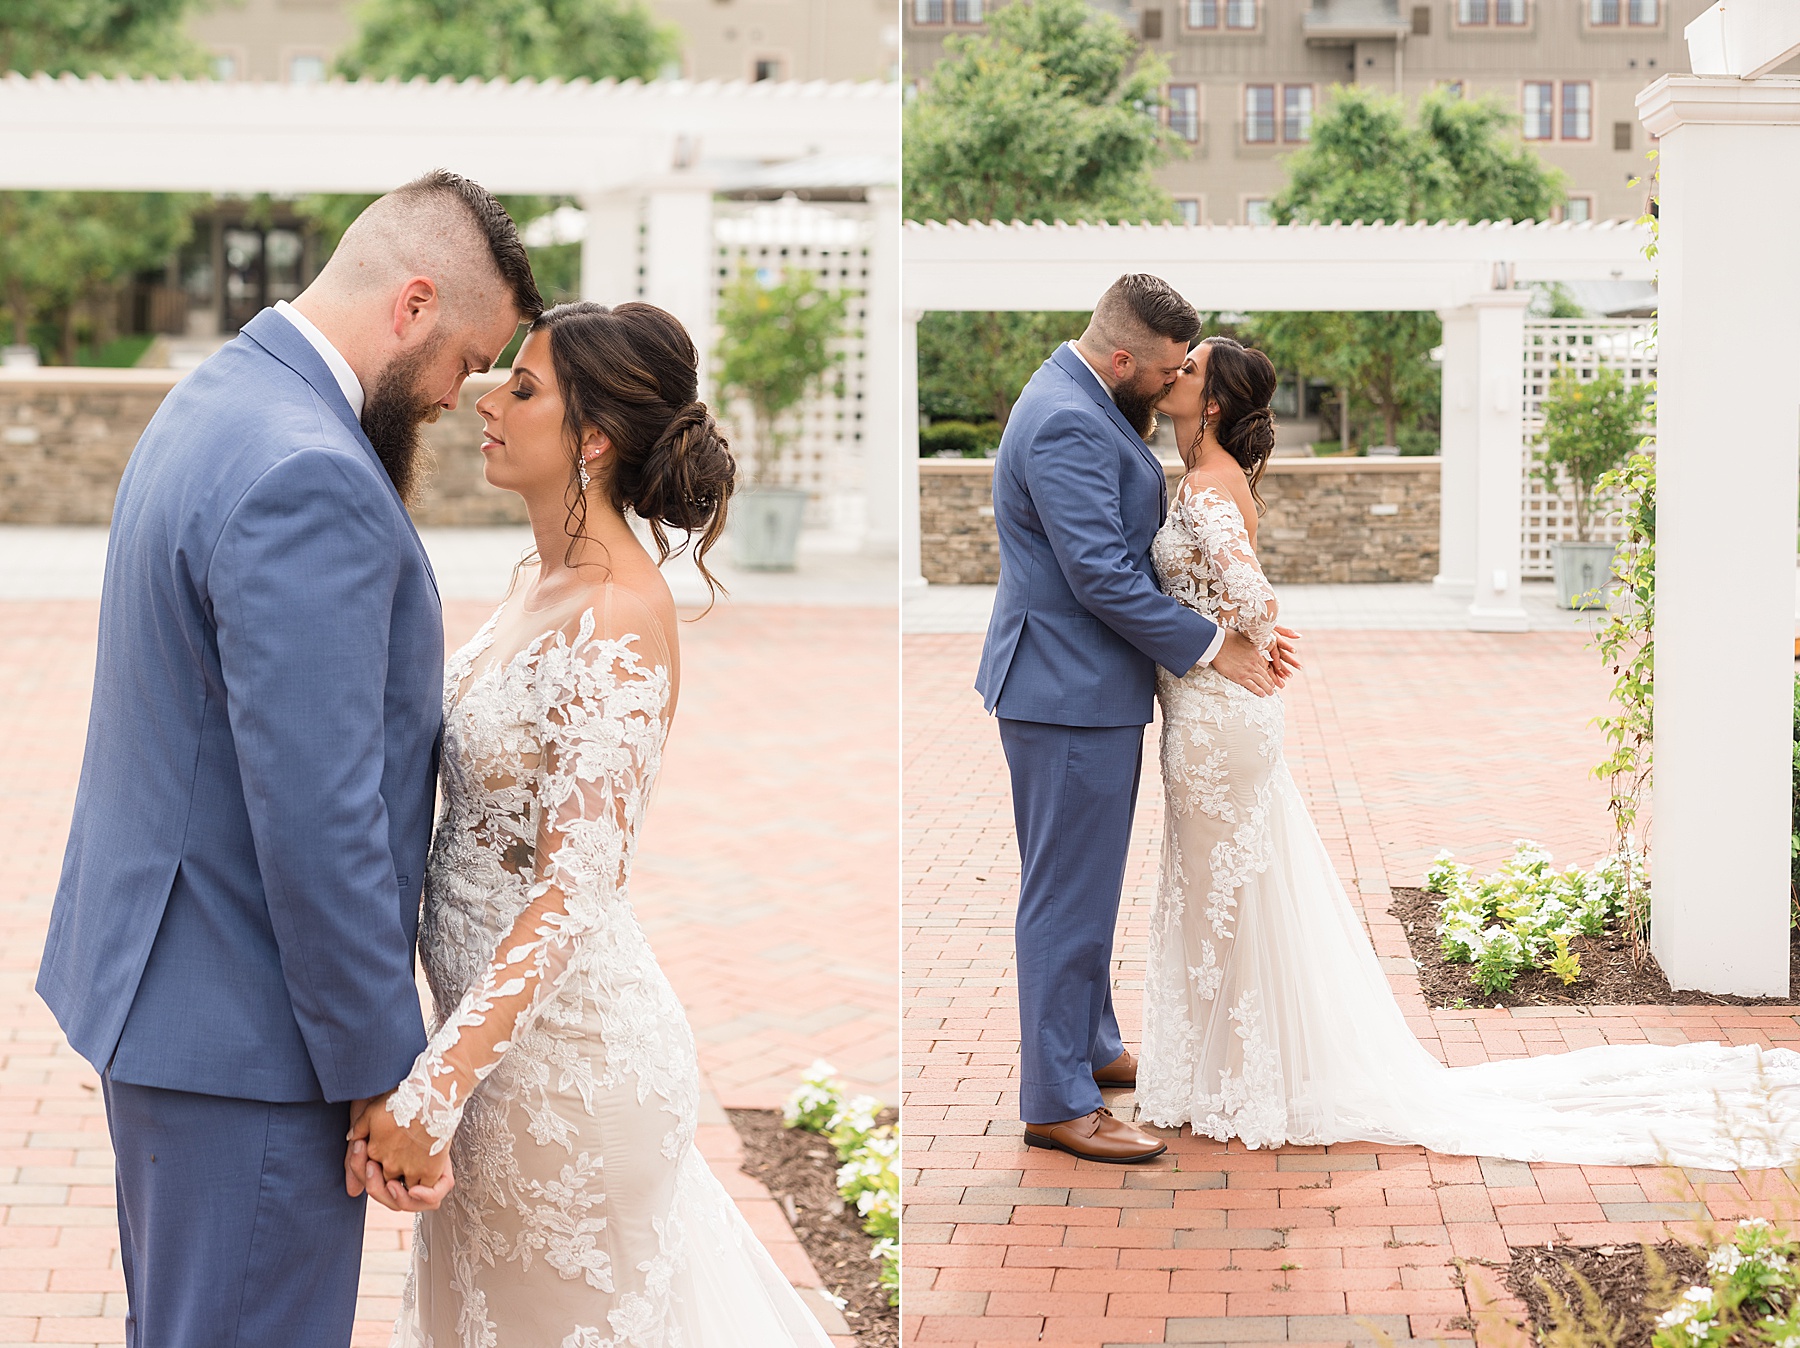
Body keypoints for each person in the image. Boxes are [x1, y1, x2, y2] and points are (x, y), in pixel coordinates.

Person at [37, 170, 537, 1344]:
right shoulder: (309, 473)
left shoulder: (216, 397)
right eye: (468, 354)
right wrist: (382, 1073)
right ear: (412, 303)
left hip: (169, 996)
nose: (464, 392)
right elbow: (319, 815)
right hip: (247, 1035)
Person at [1138, 335, 1800, 1167]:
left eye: (1189, 369)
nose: (1176, 375)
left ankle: (1236, 1079)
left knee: (1223, 892)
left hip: (1218, 724)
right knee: (1226, 891)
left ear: (1217, 404)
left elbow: (1256, 599)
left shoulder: (1204, 489)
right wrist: (1238, 639)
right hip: (1217, 719)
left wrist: (1242, 642)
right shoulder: (1210, 480)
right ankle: (1232, 1072)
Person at [356, 301, 834, 1347]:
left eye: (523, 389)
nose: (488, 397)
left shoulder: (617, 615)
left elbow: (575, 890)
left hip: (568, 1077)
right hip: (495, 1066)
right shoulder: (539, 580)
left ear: (595, 437)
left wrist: (432, 1088)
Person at [974, 274, 1299, 1164]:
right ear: (1124, 358)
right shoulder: (1070, 419)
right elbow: (1101, 578)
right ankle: (1057, 1100)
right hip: (1065, 691)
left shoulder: (1083, 394)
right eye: (1162, 371)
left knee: (1087, 886)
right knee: (1066, 895)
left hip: (1082, 687)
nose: (1168, 385)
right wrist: (1211, 645)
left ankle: (1090, 1043)